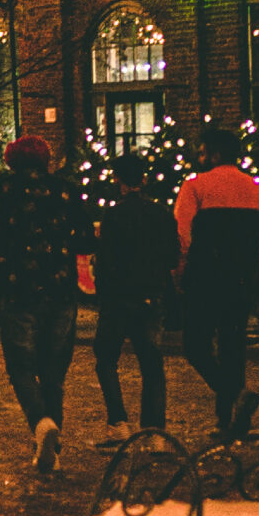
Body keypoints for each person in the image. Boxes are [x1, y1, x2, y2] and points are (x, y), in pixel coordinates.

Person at [0, 136, 92, 471]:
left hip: (21, 291)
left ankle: (40, 423)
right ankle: (52, 447)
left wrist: (1, 285)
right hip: (60, 290)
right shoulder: (64, 190)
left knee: (20, 367)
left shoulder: (4, 191)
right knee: (53, 370)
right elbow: (87, 237)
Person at [175, 125, 259, 439]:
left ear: (214, 153)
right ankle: (230, 421)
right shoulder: (258, 189)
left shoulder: (195, 186)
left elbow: (181, 235)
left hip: (203, 277)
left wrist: (180, 270)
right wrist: (252, 264)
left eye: (202, 152)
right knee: (232, 347)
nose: (199, 157)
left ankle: (234, 397)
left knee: (196, 345)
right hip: (240, 280)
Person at [92, 155, 178, 439]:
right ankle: (154, 431)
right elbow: (172, 255)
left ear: (118, 181)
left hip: (117, 298)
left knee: (106, 360)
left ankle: (119, 422)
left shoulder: (114, 215)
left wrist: (103, 293)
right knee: (151, 363)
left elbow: (104, 261)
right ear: (143, 179)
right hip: (150, 295)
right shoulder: (161, 213)